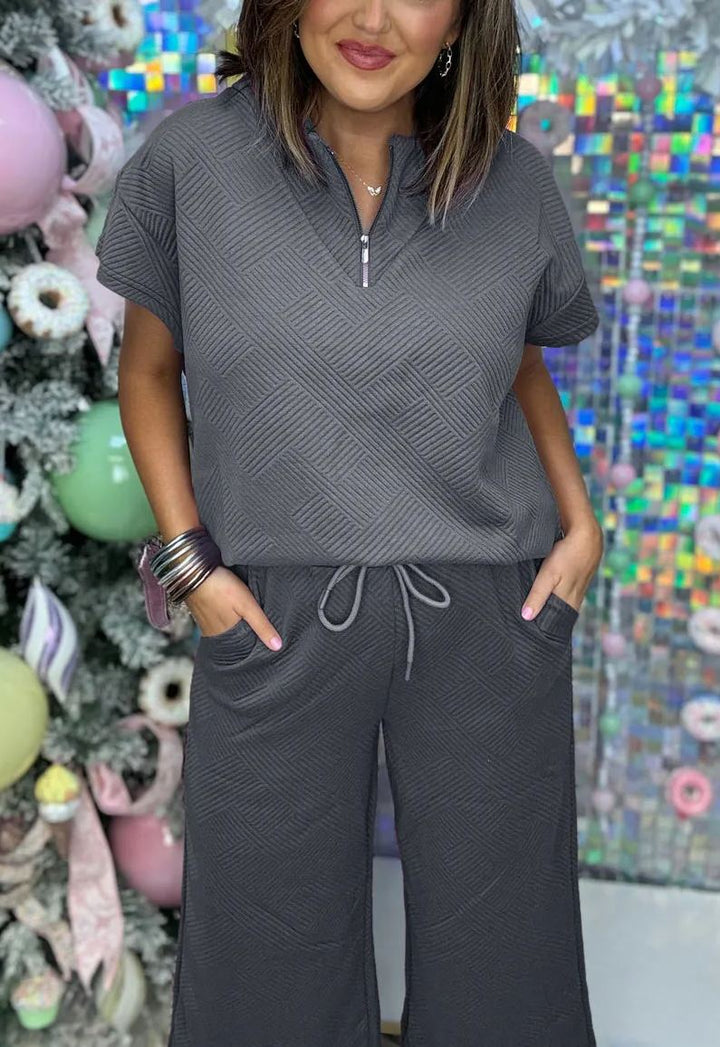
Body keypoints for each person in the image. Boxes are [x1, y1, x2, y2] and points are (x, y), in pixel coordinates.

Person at [94, 0, 604, 1044]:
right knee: (262, 960)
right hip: (273, 615)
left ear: (462, 20)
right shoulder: (190, 162)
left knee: (506, 954)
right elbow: (146, 371)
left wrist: (581, 523)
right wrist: (191, 564)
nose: (373, 17)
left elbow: (516, 362)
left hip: (488, 606)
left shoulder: (515, 182)